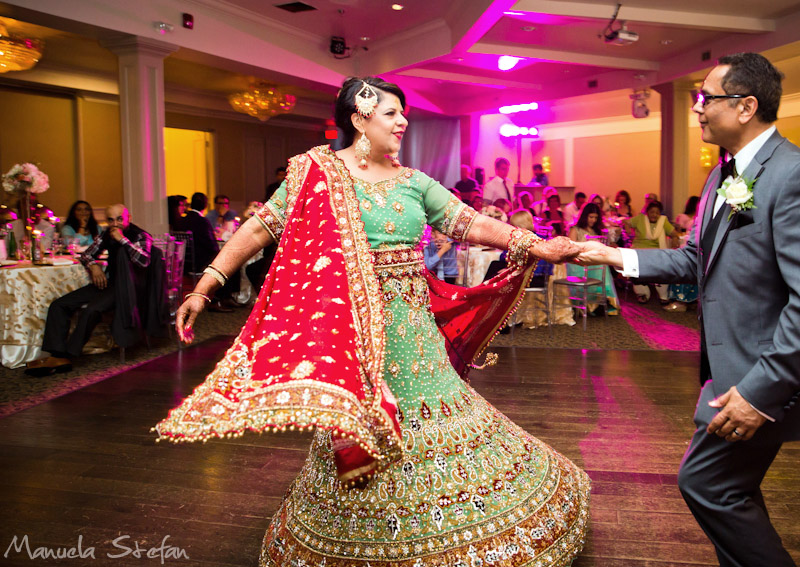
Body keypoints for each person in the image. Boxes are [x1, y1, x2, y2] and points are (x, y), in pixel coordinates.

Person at [156, 76, 590, 567]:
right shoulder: (314, 173)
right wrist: (205, 284)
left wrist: (535, 244)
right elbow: (259, 228)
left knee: (432, 421)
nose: (403, 121)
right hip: (349, 333)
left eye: (404, 113)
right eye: (391, 113)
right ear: (359, 118)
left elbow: (469, 222)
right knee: (360, 425)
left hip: (413, 329)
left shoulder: (413, 181)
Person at [576, 53, 800, 567]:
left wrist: (760, 395)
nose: (697, 110)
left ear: (746, 107)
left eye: (707, 98)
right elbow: (696, 259)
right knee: (730, 491)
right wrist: (615, 255)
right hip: (728, 368)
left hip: (764, 374)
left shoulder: (799, 177)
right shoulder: (724, 176)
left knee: (706, 483)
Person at [25, 204, 153, 376]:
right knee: (59, 305)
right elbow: (86, 254)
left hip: (130, 288)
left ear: (128, 217)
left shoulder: (140, 235)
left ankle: (67, 356)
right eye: (110, 219)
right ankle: (57, 354)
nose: (115, 223)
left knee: (92, 310)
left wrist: (123, 240)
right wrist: (93, 266)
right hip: (109, 283)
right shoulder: (107, 233)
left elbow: (144, 261)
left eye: (119, 218)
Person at [566, 203, 620, 315]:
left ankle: (600, 301)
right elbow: (570, 249)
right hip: (578, 263)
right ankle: (592, 303)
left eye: (595, 217)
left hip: (593, 262)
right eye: (591, 217)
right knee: (599, 266)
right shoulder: (575, 229)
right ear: (585, 216)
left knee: (602, 265)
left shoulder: (597, 231)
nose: (593, 220)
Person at [627, 200, 677, 303]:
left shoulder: (663, 221)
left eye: (657, 213)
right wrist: (628, 230)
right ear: (647, 212)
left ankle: (663, 295)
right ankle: (642, 293)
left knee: (665, 266)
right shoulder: (640, 219)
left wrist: (675, 239)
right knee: (634, 266)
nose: (654, 215)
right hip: (639, 251)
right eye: (652, 212)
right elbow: (626, 222)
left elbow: (674, 234)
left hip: (656, 252)